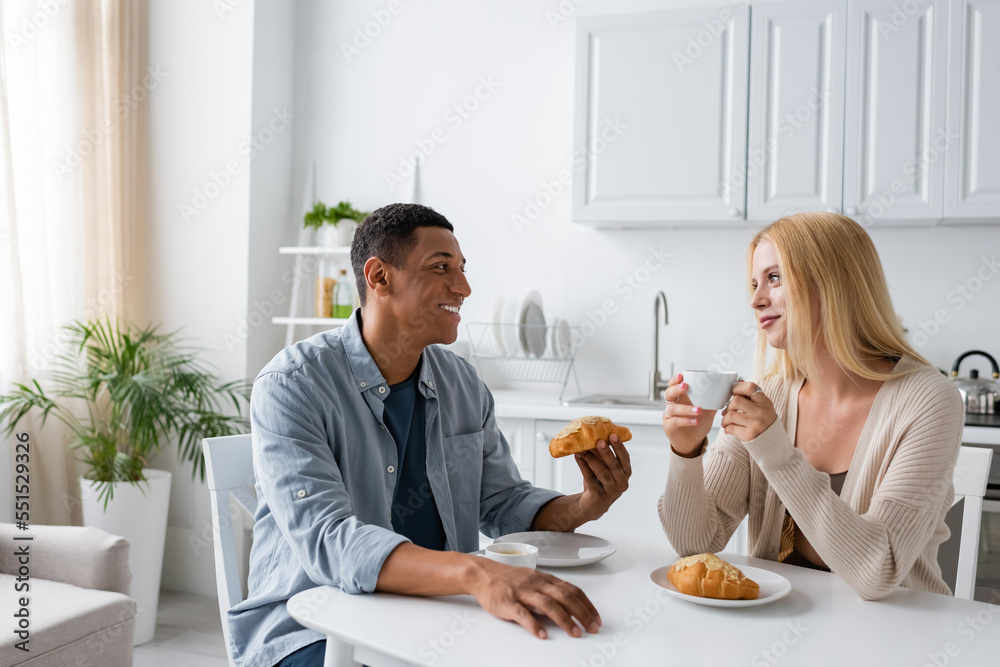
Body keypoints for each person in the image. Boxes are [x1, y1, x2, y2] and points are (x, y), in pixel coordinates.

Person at [229, 203, 632, 667]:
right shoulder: (292, 385)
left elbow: (502, 504)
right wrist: (477, 572)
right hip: (309, 633)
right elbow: (330, 540)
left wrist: (585, 505)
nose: (463, 287)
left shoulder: (462, 384)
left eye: (461, 270)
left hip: (436, 624)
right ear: (379, 277)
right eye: (441, 268)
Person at [658, 211, 964, 600]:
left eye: (774, 278)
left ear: (835, 283)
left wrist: (775, 450)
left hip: (898, 631)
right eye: (754, 283)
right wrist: (685, 452)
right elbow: (695, 542)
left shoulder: (928, 400)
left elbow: (878, 569)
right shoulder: (770, 393)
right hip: (786, 625)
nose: (755, 300)